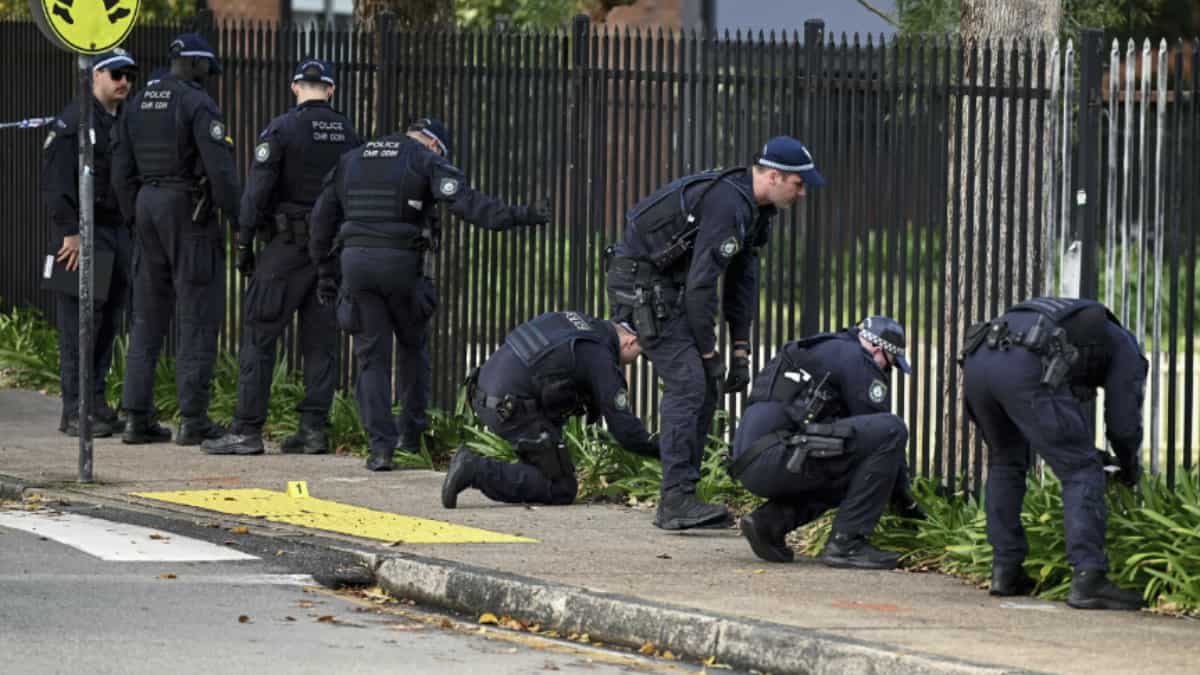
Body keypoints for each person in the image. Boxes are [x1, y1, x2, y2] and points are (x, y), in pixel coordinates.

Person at [309, 117, 550, 471]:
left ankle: (380, 449)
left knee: (370, 358)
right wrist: (522, 216)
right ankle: (411, 436)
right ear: (435, 145)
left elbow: (320, 220)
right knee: (412, 348)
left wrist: (326, 274)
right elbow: (467, 204)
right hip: (402, 265)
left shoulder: (353, 158)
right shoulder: (425, 159)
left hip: (356, 264)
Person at [605, 136, 817, 530]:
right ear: (773, 176)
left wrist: (740, 348)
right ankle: (675, 501)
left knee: (705, 383)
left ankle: (684, 493)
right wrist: (707, 351)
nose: (803, 193)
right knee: (690, 382)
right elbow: (703, 286)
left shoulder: (757, 210)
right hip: (640, 283)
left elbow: (742, 281)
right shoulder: (729, 205)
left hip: (668, 286)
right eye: (798, 183)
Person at [202, 58, 362, 456]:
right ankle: (313, 430)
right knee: (321, 342)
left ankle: (247, 430)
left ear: (295, 88)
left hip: (286, 249)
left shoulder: (282, 129)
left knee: (259, 332)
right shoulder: (350, 134)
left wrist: (245, 243)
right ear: (330, 90)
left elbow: (257, 192)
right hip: (330, 253)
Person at [960, 297, 1147, 610]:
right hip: (1024, 362)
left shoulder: (1074, 324)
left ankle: (1005, 571)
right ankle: (1089, 578)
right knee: (1082, 469)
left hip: (979, 361)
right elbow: (1123, 424)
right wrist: (1128, 465)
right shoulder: (1127, 350)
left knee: (1005, 462)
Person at [111, 33, 241, 445]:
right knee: (197, 315)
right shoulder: (195, 102)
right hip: (188, 211)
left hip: (147, 205)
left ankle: (135, 418)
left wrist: (136, 212)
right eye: (209, 70)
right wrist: (241, 223)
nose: (210, 79)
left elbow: (119, 169)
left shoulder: (137, 104)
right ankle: (193, 419)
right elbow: (220, 173)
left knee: (146, 317)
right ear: (197, 65)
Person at [728, 317, 914, 569]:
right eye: (889, 365)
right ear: (878, 349)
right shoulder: (858, 360)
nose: (885, 372)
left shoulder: (821, 348)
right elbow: (883, 437)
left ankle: (768, 524)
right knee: (892, 428)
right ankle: (847, 544)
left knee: (851, 466)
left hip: (752, 461)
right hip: (780, 456)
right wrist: (907, 501)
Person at [441, 311, 658, 508]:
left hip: (483, 391)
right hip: (509, 407)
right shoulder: (600, 357)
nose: (632, 362)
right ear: (630, 342)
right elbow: (626, 432)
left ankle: (503, 470)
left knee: (549, 457)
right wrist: (665, 449)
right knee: (561, 488)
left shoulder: (577, 321)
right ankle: (475, 469)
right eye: (638, 354)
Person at [41, 48, 138, 438]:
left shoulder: (121, 120)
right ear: (96, 75)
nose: (124, 82)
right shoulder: (74, 120)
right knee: (80, 324)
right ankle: (74, 409)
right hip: (84, 232)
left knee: (108, 321)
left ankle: (94, 400)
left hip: (115, 231)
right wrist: (70, 232)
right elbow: (57, 181)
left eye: (128, 75)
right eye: (116, 74)